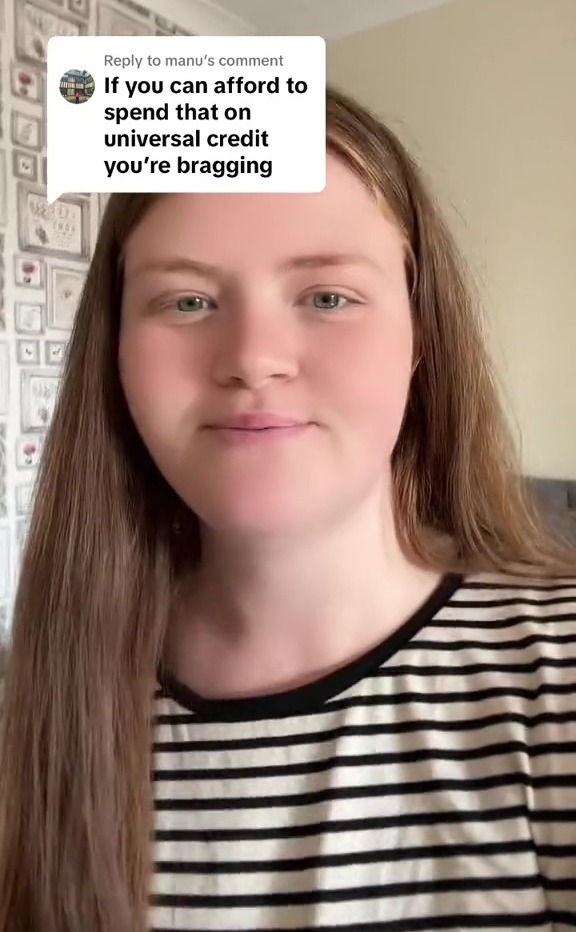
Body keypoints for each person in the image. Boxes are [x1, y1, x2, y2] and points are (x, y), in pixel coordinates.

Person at [0, 85, 574, 932]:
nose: (253, 360)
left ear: (423, 340)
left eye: (327, 296)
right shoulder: (29, 709)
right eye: (188, 300)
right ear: (113, 358)